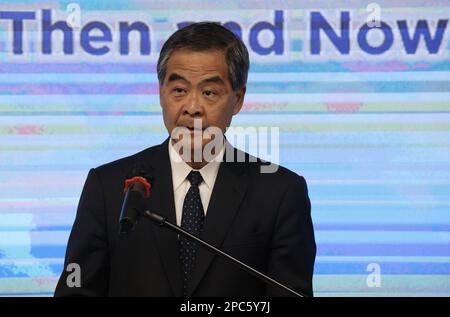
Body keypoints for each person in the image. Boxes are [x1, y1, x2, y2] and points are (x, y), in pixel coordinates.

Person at [54, 22, 316, 297]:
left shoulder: (280, 192)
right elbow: (76, 291)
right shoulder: (107, 186)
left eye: (209, 92)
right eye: (179, 90)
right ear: (161, 94)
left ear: (237, 100)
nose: (192, 108)